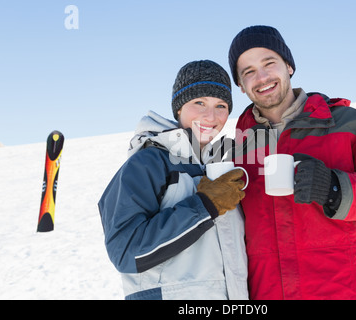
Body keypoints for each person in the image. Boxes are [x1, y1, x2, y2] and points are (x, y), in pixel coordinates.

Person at [228, 25, 356, 300]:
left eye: (269, 63)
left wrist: (335, 189)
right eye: (248, 72)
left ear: (289, 66)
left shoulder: (347, 124)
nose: (261, 77)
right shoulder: (238, 152)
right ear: (240, 85)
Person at [98, 60, 248, 300]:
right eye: (199, 102)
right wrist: (205, 206)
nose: (211, 115)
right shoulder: (148, 163)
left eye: (220, 105)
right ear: (179, 107)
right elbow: (126, 252)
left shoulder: (221, 168)